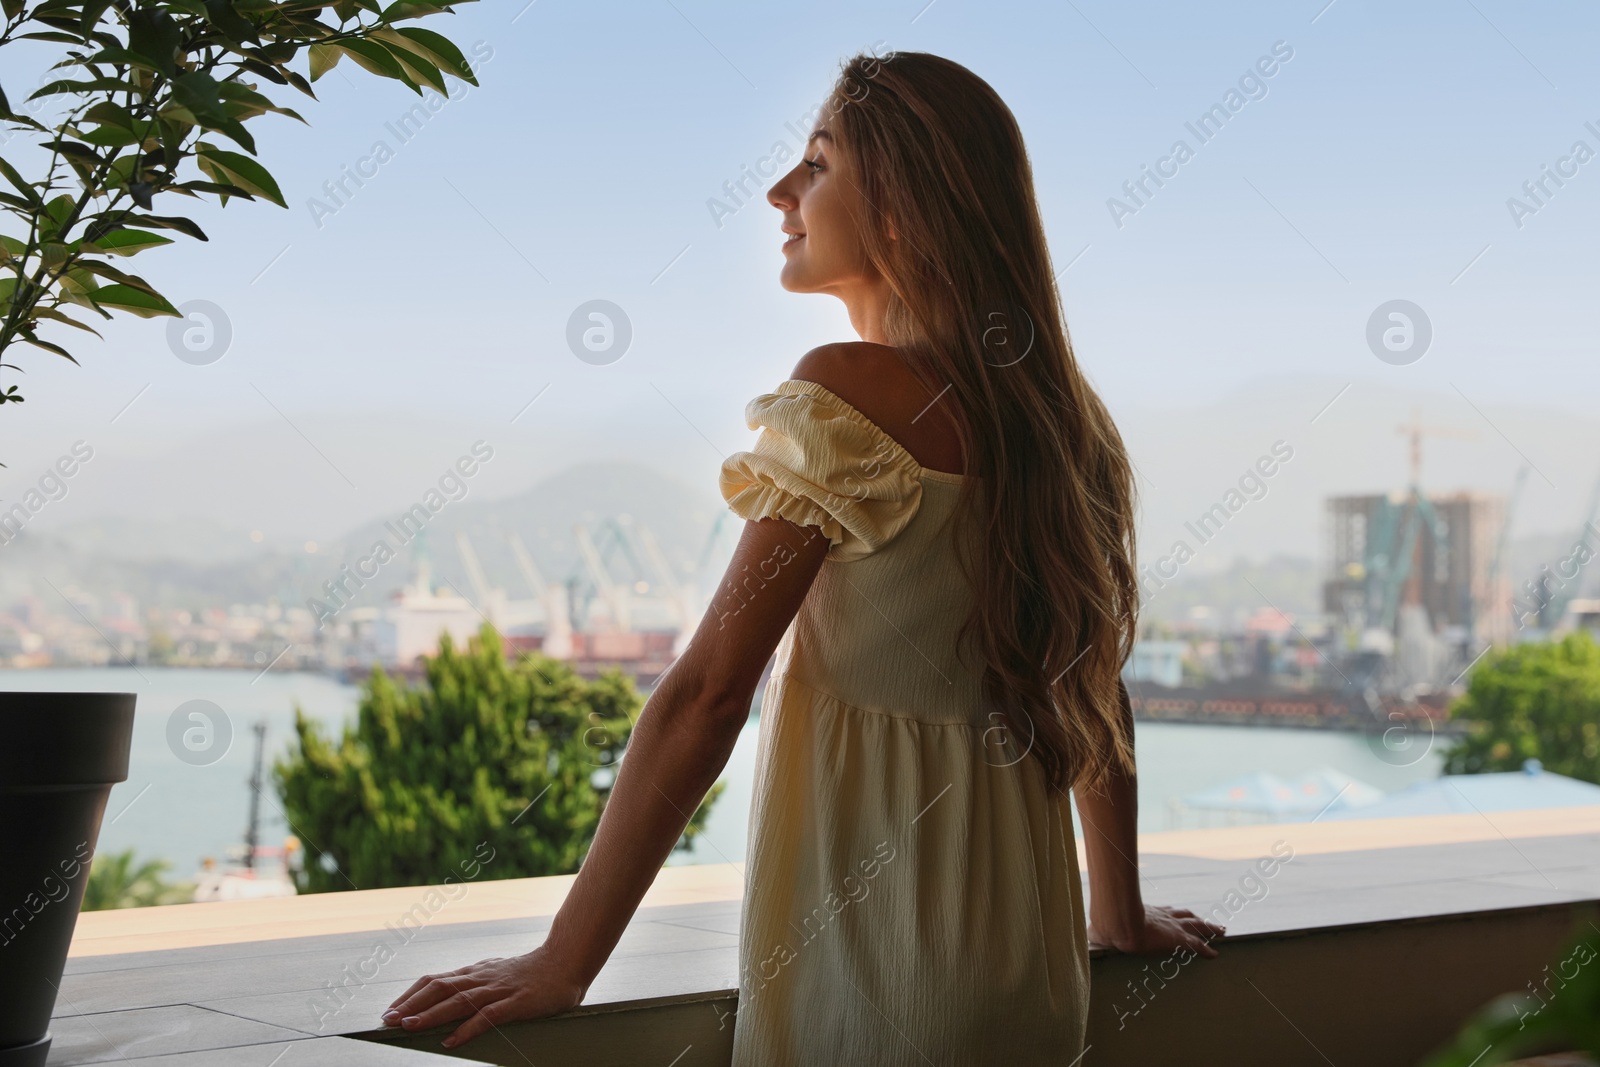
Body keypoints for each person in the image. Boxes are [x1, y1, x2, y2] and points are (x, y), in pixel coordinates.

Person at [382, 49, 1223, 1063]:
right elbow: (1090, 679)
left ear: (903, 209)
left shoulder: (851, 394)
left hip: (881, 971)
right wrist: (1118, 915)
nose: (779, 191)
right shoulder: (1059, 424)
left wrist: (565, 959)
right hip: (1025, 976)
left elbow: (708, 692)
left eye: (817, 164)